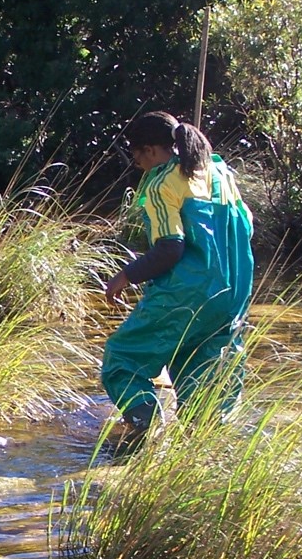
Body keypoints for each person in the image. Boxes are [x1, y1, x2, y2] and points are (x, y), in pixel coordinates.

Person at [101, 111, 254, 444]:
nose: (136, 163)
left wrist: (125, 276)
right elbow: (247, 227)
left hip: (186, 292)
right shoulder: (221, 173)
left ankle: (146, 422)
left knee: (122, 358)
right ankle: (206, 446)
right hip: (234, 290)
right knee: (206, 373)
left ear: (151, 151)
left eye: (136, 154)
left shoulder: (162, 182)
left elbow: (170, 248)